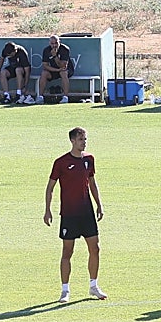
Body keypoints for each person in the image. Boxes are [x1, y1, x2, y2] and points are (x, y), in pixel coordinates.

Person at [45, 127, 106, 302]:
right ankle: (65, 290)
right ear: (72, 141)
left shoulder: (89, 159)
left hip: (87, 212)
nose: (84, 142)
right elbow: (50, 187)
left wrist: (99, 205)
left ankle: (94, 286)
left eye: (85, 139)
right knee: (67, 251)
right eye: (80, 139)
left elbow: (92, 183)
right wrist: (47, 209)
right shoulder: (61, 162)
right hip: (69, 214)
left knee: (95, 248)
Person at [36, 35, 71, 104]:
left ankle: (65, 97)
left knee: (63, 72)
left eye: (56, 43)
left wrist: (55, 56)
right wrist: (57, 70)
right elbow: (45, 66)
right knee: (44, 73)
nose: (54, 45)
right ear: (49, 43)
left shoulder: (65, 49)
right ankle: (40, 97)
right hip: (54, 70)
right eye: (52, 43)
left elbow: (63, 65)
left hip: (66, 69)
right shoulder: (46, 50)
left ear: (59, 42)